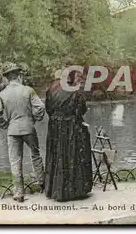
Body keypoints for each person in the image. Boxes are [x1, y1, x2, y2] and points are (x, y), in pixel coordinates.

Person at [0, 64, 46, 202]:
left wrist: (6, 125)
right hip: (28, 127)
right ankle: (43, 185)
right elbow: (40, 107)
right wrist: (34, 119)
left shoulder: (2, 94)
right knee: (36, 155)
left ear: (8, 79)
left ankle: (18, 193)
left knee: (15, 161)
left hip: (12, 130)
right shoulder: (28, 90)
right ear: (19, 76)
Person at [44, 69, 93, 202]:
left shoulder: (51, 90)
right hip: (70, 126)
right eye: (77, 77)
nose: (79, 80)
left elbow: (48, 109)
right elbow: (80, 110)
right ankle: (74, 190)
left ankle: (54, 189)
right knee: (72, 155)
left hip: (55, 126)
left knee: (57, 155)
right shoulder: (76, 92)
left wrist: (57, 119)